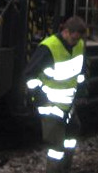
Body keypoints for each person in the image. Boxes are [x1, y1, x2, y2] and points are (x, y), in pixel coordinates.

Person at [24, 16, 87, 173]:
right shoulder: (48, 48)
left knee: (72, 135)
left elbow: (80, 72)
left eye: (78, 38)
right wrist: (39, 98)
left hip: (68, 104)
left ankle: (65, 168)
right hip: (50, 105)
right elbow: (29, 76)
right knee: (56, 147)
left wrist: (81, 91)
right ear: (65, 32)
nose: (75, 41)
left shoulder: (79, 45)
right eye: (73, 38)